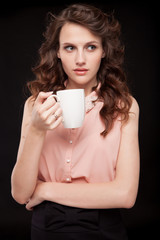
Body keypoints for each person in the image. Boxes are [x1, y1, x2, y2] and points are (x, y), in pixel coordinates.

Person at [11, 3, 140, 240]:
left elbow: (125, 195)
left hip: (104, 229)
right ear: (58, 52)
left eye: (90, 47)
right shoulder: (36, 105)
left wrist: (46, 189)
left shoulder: (125, 106)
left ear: (103, 51)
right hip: (46, 228)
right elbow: (20, 193)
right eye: (70, 48)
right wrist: (38, 130)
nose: (80, 59)